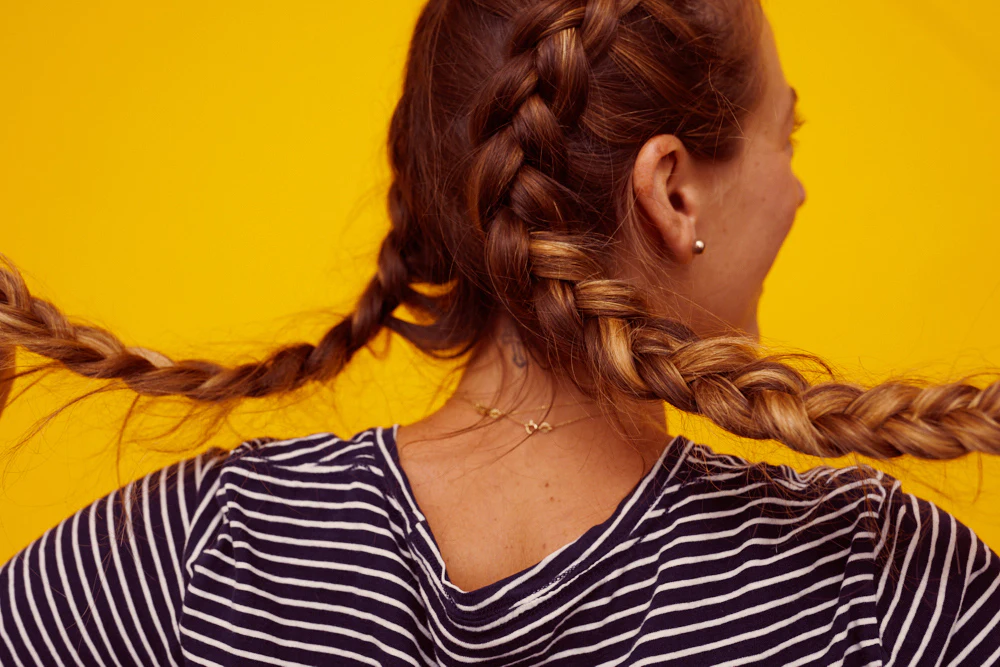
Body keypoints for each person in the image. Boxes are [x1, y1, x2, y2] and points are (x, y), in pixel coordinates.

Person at [0, 0, 998, 664]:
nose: (794, 186)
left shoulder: (188, 554)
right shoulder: (876, 589)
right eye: (786, 133)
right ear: (670, 188)